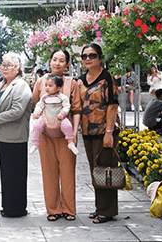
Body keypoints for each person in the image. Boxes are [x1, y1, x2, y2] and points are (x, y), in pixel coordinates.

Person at [0, 52, 32, 218]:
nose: (4, 68)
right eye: (3, 64)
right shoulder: (1, 83)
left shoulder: (21, 85)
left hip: (15, 136)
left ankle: (17, 209)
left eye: (9, 65)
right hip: (3, 136)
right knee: (7, 174)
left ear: (17, 69)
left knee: (16, 174)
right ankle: (8, 206)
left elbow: (17, 111)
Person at [32, 48, 81, 222]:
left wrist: (74, 133)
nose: (57, 63)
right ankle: (53, 209)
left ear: (67, 64)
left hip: (65, 136)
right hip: (45, 135)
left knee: (67, 173)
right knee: (49, 172)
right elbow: (35, 105)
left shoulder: (72, 84)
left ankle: (69, 209)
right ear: (50, 61)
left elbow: (76, 110)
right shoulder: (41, 82)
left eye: (61, 60)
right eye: (54, 59)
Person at [77, 43, 120, 224]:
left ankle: (107, 211)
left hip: (105, 132)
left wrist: (109, 132)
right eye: (84, 56)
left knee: (106, 170)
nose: (88, 59)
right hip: (88, 133)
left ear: (100, 58)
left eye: (92, 55)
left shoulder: (107, 78)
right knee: (96, 171)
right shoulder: (80, 80)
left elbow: (112, 106)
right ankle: (99, 208)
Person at [29, 74, 76, 156]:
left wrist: (63, 113)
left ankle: (70, 142)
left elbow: (67, 106)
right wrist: (36, 113)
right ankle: (35, 143)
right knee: (37, 126)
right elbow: (39, 105)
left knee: (67, 126)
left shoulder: (63, 97)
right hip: (46, 117)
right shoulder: (44, 97)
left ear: (58, 88)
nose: (47, 87)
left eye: (50, 86)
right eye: (46, 85)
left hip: (59, 117)